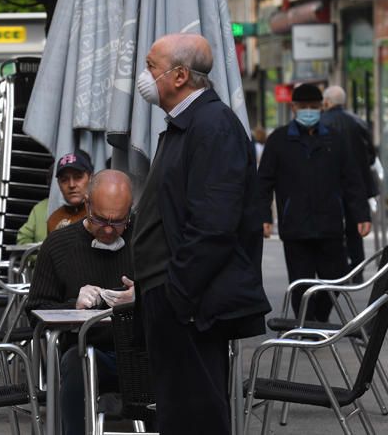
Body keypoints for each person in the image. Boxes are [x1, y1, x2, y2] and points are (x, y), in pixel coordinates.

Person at [131, 33, 271, 435]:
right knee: (180, 412)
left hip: (191, 305)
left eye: (151, 66)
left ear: (178, 77)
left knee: (196, 415)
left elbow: (213, 224)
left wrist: (179, 293)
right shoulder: (189, 125)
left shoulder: (212, 126)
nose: (145, 76)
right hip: (176, 298)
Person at [26, 169, 134, 435]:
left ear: (130, 213)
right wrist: (73, 305)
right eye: (100, 220)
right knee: (75, 361)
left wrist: (143, 296)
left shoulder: (143, 240)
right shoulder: (59, 244)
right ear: (87, 205)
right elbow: (34, 310)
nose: (109, 229)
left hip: (140, 350)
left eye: (119, 222)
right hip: (87, 353)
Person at [259, 83, 371, 322]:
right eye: (303, 106)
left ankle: (318, 320)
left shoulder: (335, 140)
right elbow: (263, 183)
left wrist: (362, 214)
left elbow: (352, 180)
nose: (308, 111)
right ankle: (306, 326)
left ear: (322, 107)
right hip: (295, 226)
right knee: (301, 283)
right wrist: (263, 218)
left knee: (336, 277)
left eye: (313, 106)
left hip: (330, 223)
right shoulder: (278, 141)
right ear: (293, 108)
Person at [322, 85, 378, 273]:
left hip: (331, 184)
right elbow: (371, 153)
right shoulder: (358, 122)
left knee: (334, 226)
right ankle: (358, 269)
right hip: (357, 184)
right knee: (356, 227)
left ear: (327, 102)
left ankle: (339, 268)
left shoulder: (321, 123)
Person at [46, 151, 93, 234]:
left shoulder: (101, 215)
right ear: (58, 184)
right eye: (64, 180)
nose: (71, 185)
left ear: (91, 178)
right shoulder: (54, 219)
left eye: (78, 177)